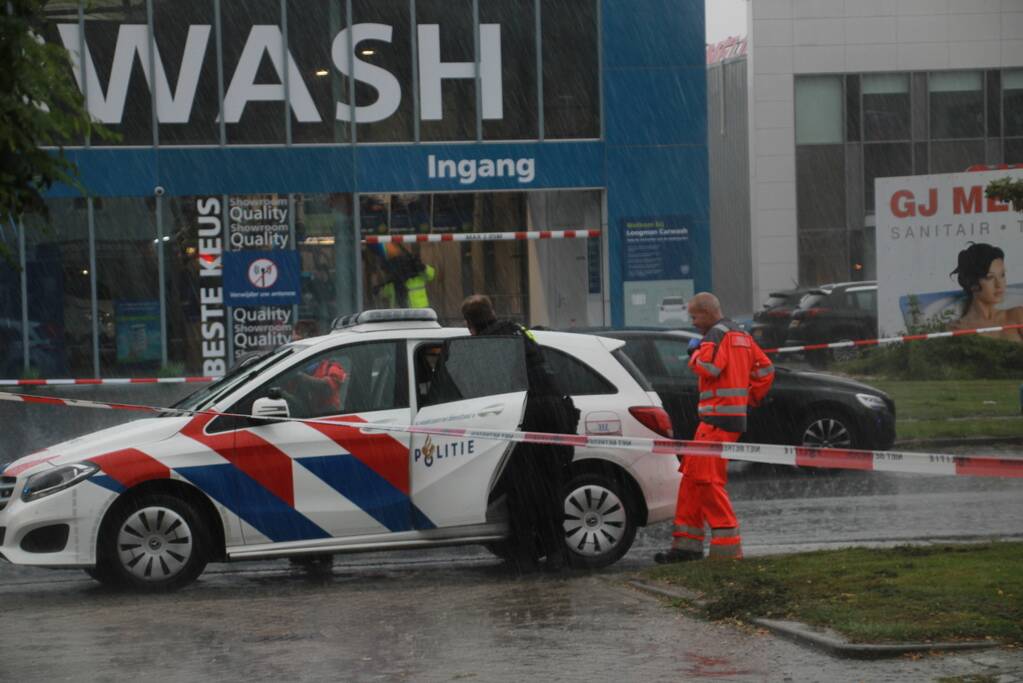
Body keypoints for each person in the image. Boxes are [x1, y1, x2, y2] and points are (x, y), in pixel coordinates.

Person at [461, 294, 579, 571]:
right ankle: (556, 554)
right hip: (554, 412)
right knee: (550, 488)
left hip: (524, 417)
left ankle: (526, 557)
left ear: (469, 324)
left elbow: (483, 387)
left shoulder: (487, 346)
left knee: (521, 491)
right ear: (492, 311)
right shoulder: (519, 333)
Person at [655, 292, 774, 564]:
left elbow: (709, 367)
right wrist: (748, 397)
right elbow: (765, 370)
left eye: (695, 316)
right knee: (692, 476)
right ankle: (686, 545)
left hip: (716, 420)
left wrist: (693, 353)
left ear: (708, 312)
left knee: (707, 480)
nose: (693, 322)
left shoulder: (714, 336)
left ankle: (727, 546)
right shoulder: (740, 335)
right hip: (723, 420)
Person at [948, 242, 1023, 342]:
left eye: (1002, 275)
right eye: (990, 277)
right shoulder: (957, 328)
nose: (999, 285)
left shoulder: (1018, 315)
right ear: (972, 284)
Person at [373, 243, 437, 309]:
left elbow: (431, 274)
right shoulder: (394, 283)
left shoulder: (417, 277)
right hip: (404, 316)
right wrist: (378, 289)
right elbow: (381, 293)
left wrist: (423, 267)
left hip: (419, 314)